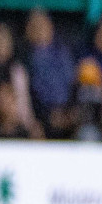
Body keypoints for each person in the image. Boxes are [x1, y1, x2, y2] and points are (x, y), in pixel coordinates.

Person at [24, 8, 77, 136]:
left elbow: (73, 85)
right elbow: (27, 93)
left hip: (66, 112)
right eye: (35, 26)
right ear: (27, 30)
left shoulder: (64, 54)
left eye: (43, 25)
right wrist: (46, 116)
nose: (39, 30)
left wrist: (67, 112)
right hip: (39, 117)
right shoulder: (23, 58)